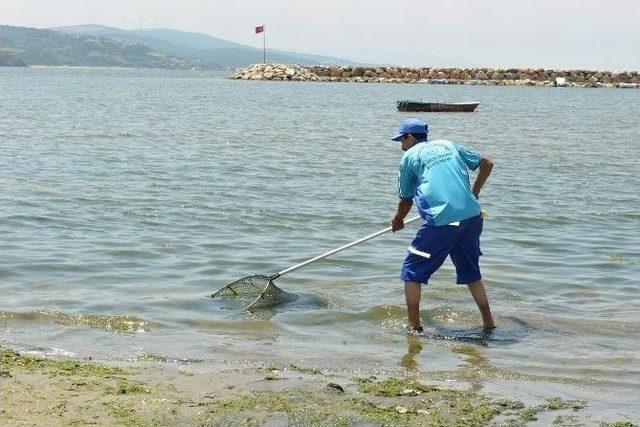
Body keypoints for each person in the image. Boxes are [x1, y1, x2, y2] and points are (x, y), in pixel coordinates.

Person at [389, 118, 495, 333]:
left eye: (401, 140)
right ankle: (488, 324)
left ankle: (413, 327)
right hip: (472, 217)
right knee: (471, 272)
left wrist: (398, 219)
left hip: (442, 220)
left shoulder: (409, 157)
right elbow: (486, 164)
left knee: (411, 270)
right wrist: (474, 193)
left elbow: (406, 200)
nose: (401, 146)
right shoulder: (449, 144)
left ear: (409, 138)